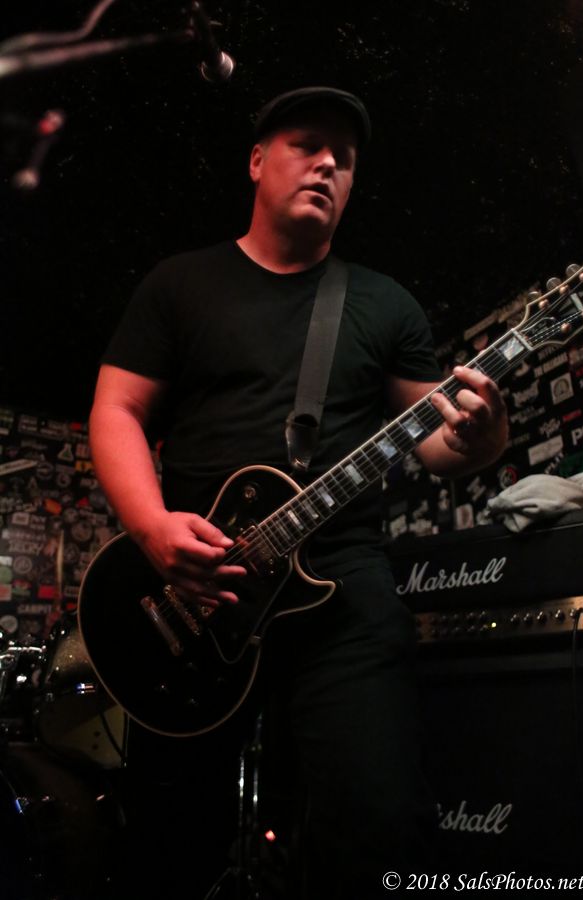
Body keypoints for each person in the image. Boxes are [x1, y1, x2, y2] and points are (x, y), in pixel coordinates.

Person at [89, 86, 508, 899]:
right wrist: (151, 530)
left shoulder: (383, 302)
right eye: (306, 146)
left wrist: (482, 437)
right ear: (256, 161)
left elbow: (439, 440)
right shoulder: (180, 284)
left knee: (378, 823)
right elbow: (117, 410)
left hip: (339, 588)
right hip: (196, 587)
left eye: (343, 159)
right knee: (171, 840)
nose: (326, 165)